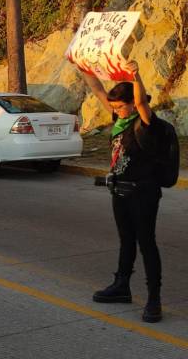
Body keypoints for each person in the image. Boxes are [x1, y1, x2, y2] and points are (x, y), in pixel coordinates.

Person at [79, 60, 165, 323]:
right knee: (126, 241)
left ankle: (154, 299)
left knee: (146, 243)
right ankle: (122, 286)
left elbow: (140, 103)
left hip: (143, 193)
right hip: (120, 192)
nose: (115, 110)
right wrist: (83, 65)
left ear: (132, 103)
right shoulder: (120, 117)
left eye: (120, 106)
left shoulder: (147, 122)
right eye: (114, 107)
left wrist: (136, 75)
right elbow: (97, 90)